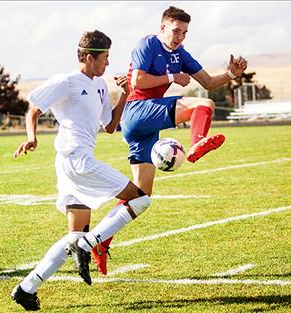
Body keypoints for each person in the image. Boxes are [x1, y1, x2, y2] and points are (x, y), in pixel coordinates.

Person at [91, 6, 248, 275]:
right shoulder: (148, 44)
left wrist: (232, 74)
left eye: (184, 32)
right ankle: (197, 142)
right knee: (204, 104)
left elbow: (208, 81)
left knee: (141, 197)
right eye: (176, 30)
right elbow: (137, 79)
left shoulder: (180, 53)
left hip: (144, 126)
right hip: (137, 110)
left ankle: (100, 239)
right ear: (162, 27)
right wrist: (173, 77)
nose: (180, 37)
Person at [10, 30, 151, 311]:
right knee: (140, 199)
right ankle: (90, 245)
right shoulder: (67, 81)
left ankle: (27, 289)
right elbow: (33, 109)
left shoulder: (99, 85)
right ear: (88, 56)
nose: (108, 64)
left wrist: (124, 95)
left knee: (73, 237)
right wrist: (31, 136)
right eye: (105, 58)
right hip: (76, 161)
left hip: (74, 162)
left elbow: (110, 126)